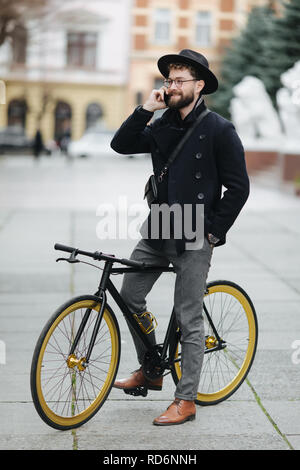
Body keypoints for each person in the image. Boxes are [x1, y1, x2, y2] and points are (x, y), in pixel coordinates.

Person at [110, 49, 250, 426]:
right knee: (130, 295)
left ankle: (185, 400)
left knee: (189, 317)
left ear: (199, 85)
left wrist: (214, 231)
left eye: (178, 80)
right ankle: (151, 366)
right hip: (159, 226)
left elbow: (238, 188)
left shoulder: (220, 129)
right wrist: (146, 109)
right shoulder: (161, 125)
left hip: (195, 232)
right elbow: (120, 145)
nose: (170, 86)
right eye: (168, 80)